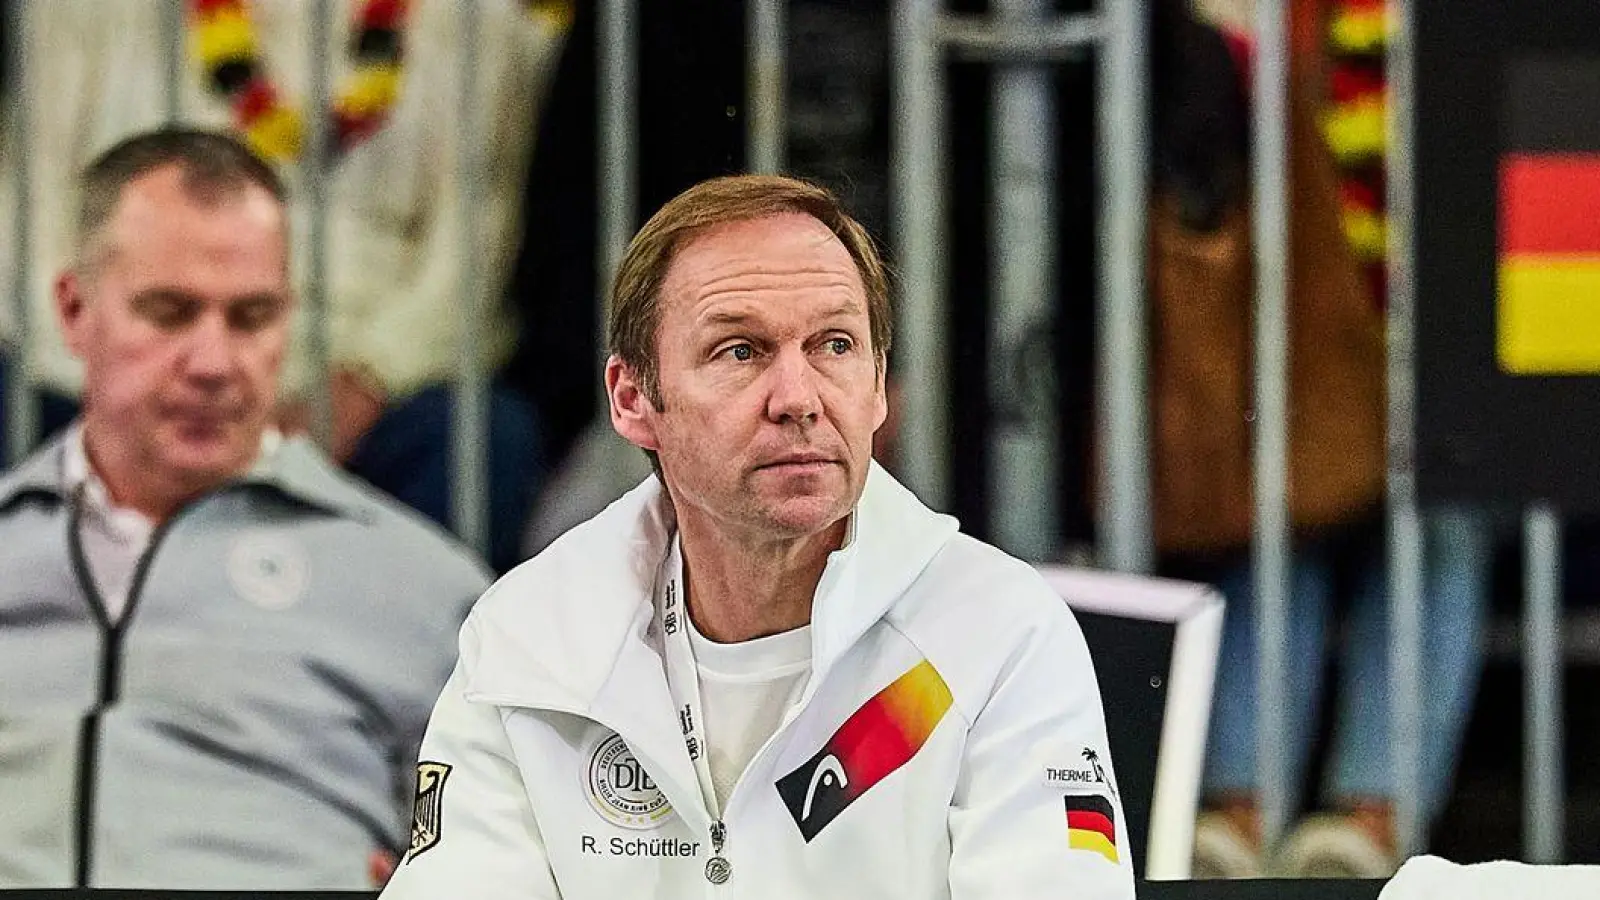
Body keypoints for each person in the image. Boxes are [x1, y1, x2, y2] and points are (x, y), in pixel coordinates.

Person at [381, 175, 1135, 899]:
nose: (798, 398)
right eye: (740, 351)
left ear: (878, 385)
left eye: (835, 346)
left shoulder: (998, 632)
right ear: (634, 398)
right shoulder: (530, 636)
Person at [0, 129, 488, 889]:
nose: (213, 363)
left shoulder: (424, 588)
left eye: (251, 317)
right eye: (169, 312)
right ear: (72, 310)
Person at [0, 0, 569, 572]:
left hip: (363, 388)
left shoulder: (480, 23)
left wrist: (361, 386)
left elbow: (471, 256)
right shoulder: (77, 12)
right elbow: (26, 226)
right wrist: (136, 387)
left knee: (484, 436)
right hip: (111, 369)